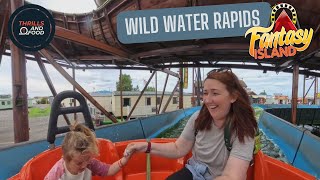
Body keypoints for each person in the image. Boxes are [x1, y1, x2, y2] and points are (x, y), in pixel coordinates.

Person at [124, 68, 258, 180]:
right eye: (205, 93)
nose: (208, 100)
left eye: (215, 93)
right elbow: (178, 148)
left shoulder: (244, 129)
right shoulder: (198, 118)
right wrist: (146, 147)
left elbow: (232, 176)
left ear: (233, 96)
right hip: (194, 171)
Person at [45, 123, 131, 180]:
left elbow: (110, 170)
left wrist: (124, 159)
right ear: (65, 159)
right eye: (79, 163)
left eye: (88, 159)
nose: (85, 165)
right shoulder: (57, 173)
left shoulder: (89, 164)